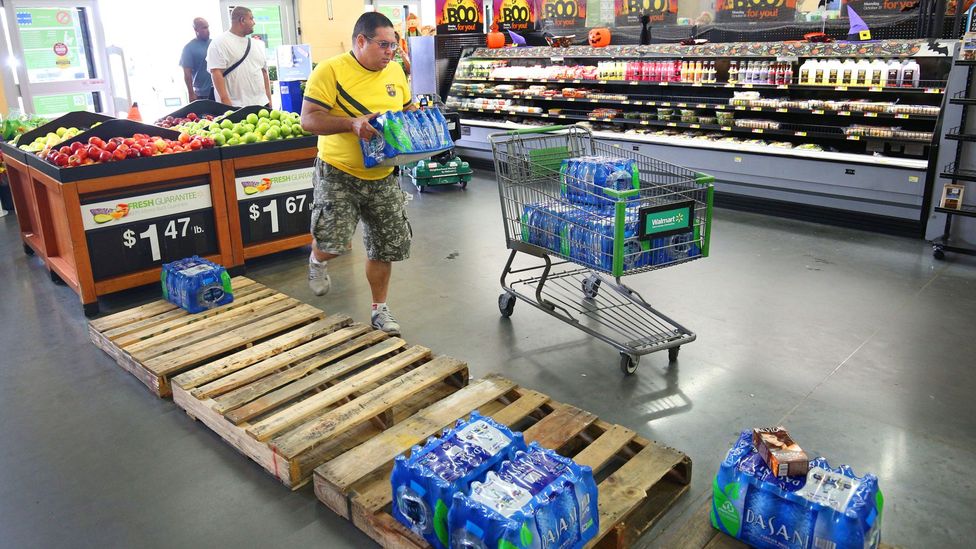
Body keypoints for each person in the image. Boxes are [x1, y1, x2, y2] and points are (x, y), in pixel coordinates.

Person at [301, 12, 414, 336]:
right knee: (333, 243)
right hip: (338, 172)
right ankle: (318, 260)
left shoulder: (394, 71)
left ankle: (380, 310)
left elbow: (406, 110)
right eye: (383, 45)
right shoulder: (330, 71)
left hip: (383, 174)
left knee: (385, 245)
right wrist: (351, 123)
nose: (390, 52)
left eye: (393, 45)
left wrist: (419, 123)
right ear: (361, 41)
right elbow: (308, 120)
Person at [206, 6, 272, 107]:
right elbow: (216, 73)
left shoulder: (258, 44)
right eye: (251, 18)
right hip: (236, 107)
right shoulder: (219, 43)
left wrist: (269, 101)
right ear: (242, 20)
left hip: (261, 104)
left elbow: (264, 73)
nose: (254, 22)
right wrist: (227, 104)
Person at [179, 17, 213, 102]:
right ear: (196, 29)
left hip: (218, 90)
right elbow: (187, 74)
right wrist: (191, 93)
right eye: (204, 28)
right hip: (202, 93)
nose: (208, 30)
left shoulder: (214, 44)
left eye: (208, 27)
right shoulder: (188, 48)